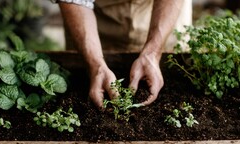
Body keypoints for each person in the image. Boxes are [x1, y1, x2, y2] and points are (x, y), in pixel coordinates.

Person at [51, 0, 192, 108]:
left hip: (163, 10)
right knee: (89, 76)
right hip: (96, 14)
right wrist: (96, 65)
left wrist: (153, 52)